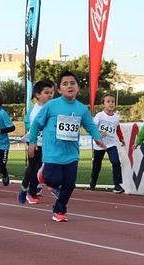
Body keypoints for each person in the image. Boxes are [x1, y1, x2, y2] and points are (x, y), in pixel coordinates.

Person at [29, 71, 105, 222]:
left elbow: (90, 125)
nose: (69, 86)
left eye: (72, 83)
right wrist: (32, 142)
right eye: (65, 84)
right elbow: (37, 124)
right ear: (59, 89)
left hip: (71, 153)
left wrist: (97, 137)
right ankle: (42, 175)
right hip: (52, 151)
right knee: (54, 179)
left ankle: (59, 210)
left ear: (78, 87)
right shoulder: (51, 105)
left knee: (70, 184)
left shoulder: (82, 109)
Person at [18, 80, 54, 204]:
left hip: (47, 143)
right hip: (35, 143)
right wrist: (32, 144)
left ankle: (34, 187)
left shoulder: (53, 107)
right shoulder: (35, 111)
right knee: (34, 167)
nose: (50, 95)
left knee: (46, 166)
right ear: (38, 95)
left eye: (52, 92)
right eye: (46, 93)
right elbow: (32, 127)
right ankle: (28, 190)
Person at [89, 93, 126, 193]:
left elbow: (117, 128)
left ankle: (117, 185)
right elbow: (93, 128)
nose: (111, 104)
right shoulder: (99, 116)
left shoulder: (116, 117)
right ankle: (93, 182)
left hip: (111, 144)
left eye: (113, 102)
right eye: (108, 101)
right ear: (103, 104)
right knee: (97, 165)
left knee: (116, 162)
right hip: (99, 144)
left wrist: (121, 138)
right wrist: (99, 133)